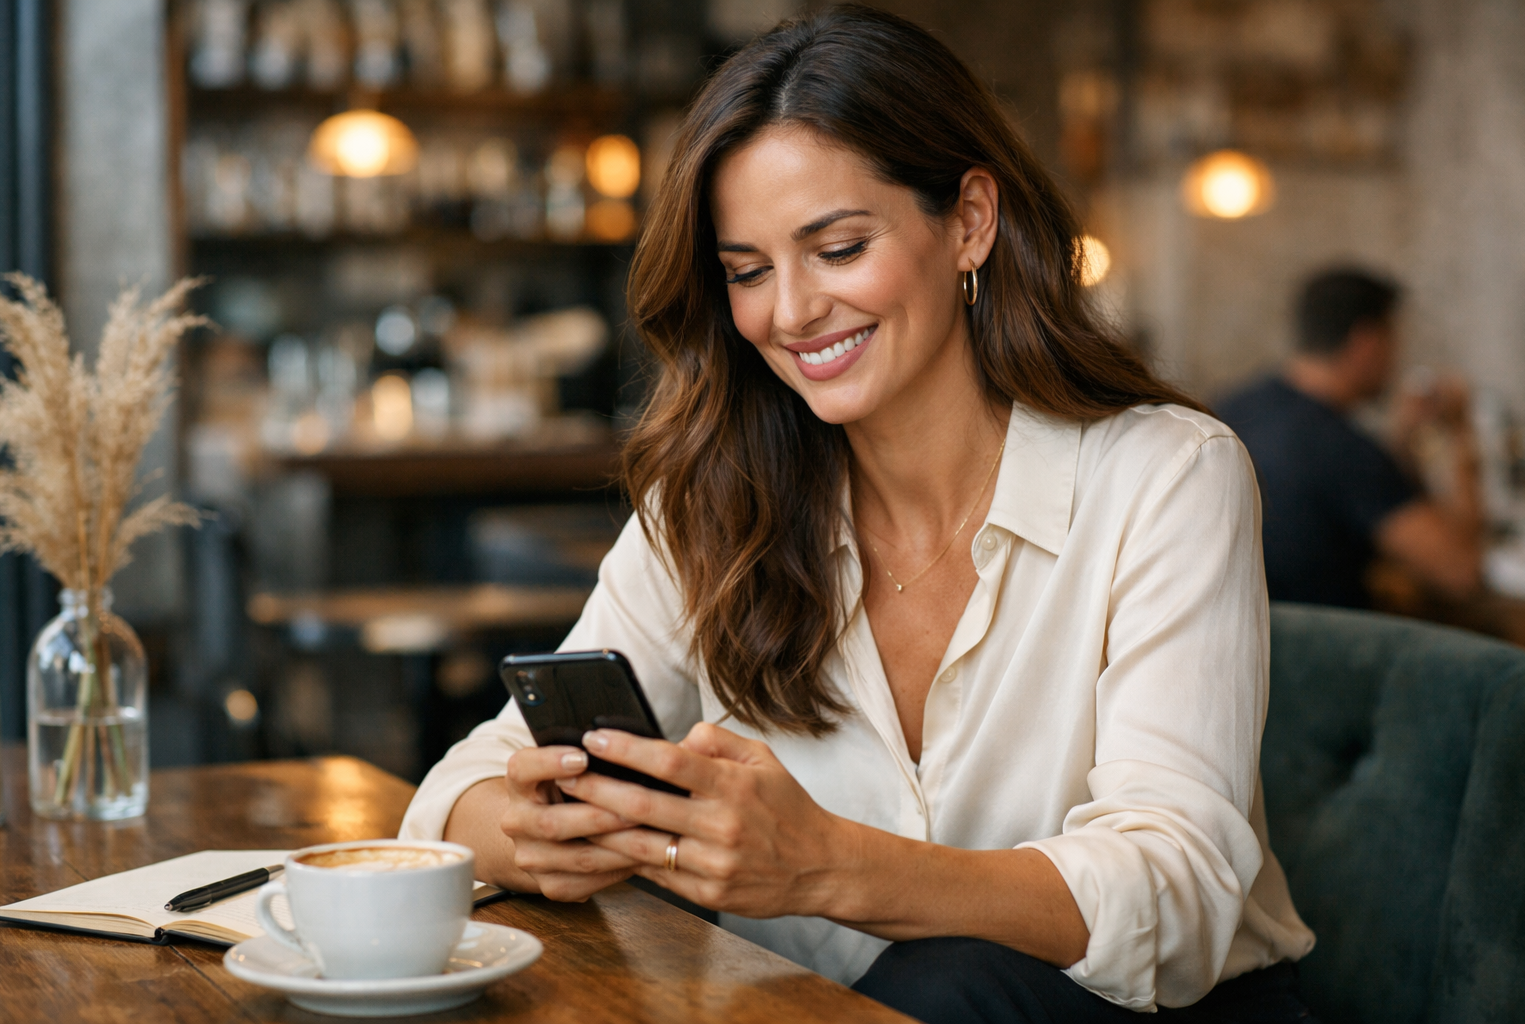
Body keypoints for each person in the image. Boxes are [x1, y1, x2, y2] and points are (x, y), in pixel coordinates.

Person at [401, 7, 1318, 1022]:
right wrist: (528, 828)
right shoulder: (714, 501)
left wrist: (828, 868)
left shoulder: (1167, 474)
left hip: (1145, 1013)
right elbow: (459, 791)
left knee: (947, 982)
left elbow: (1176, 893)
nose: (788, 313)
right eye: (747, 271)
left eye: (837, 248)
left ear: (970, 220)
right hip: (831, 1011)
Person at [1218, 269, 1482, 609]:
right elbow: (1462, 572)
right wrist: (1461, 431)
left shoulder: (1233, 406)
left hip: (1247, 632)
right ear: (1366, 342)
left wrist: (1401, 439)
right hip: (1330, 649)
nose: (1396, 358)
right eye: (1394, 340)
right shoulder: (1341, 446)